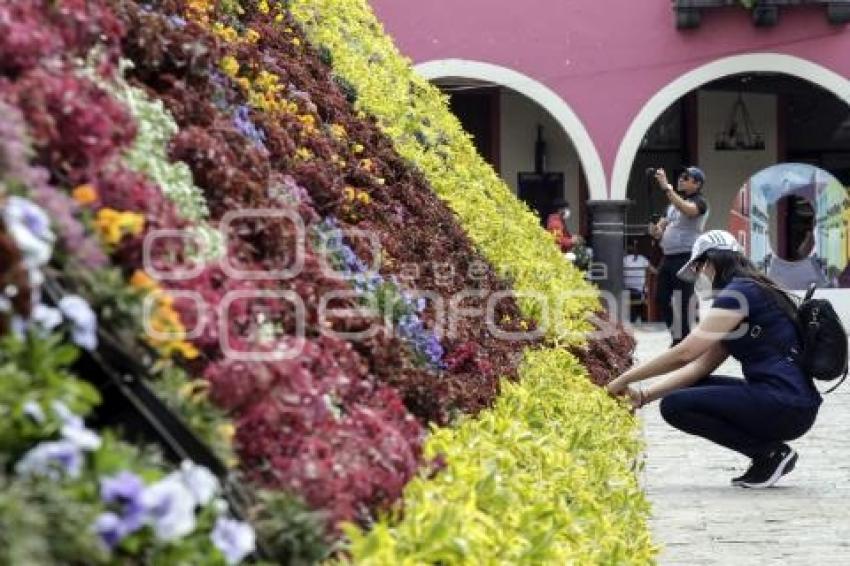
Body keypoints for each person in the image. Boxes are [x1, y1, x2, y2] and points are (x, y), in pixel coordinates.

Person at [606, 230, 821, 489]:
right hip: (792, 403)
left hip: (785, 404)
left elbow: (686, 353)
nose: (699, 275)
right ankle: (769, 454)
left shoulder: (739, 293)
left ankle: (768, 453)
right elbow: (699, 367)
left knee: (674, 405)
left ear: (711, 261)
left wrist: (624, 379)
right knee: (686, 392)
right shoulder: (753, 289)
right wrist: (642, 397)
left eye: (698, 267)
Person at [649, 166, 709, 346]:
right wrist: (656, 230)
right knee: (661, 297)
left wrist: (666, 187)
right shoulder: (672, 205)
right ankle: (678, 337)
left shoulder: (700, 202)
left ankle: (682, 341)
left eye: (686, 177)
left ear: (697, 184)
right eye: (681, 176)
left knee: (683, 301)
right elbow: (660, 229)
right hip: (668, 257)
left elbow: (687, 209)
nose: (681, 179)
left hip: (689, 256)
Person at [623, 240, 653, 322]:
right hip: (639, 291)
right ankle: (642, 319)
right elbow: (654, 271)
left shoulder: (623, 260)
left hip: (626, 290)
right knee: (641, 301)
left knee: (632, 303)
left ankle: (633, 319)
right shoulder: (643, 259)